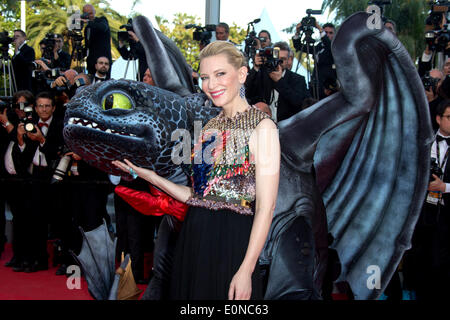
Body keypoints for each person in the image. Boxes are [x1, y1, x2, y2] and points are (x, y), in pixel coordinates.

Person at [113, 41, 280, 300]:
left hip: (233, 240)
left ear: (243, 74)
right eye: (204, 77)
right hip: (194, 234)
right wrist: (150, 176)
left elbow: (265, 208)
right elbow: (197, 195)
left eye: (220, 74)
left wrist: (246, 268)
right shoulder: (209, 127)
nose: (211, 84)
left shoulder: (263, 127)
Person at [10, 92, 64, 272]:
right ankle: (31, 258)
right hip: (33, 180)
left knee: (49, 221)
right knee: (32, 221)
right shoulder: (29, 125)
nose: (43, 109)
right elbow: (22, 160)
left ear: (53, 108)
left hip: (53, 181)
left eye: (47, 106)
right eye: (40, 106)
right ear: (35, 107)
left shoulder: (59, 126)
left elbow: (57, 153)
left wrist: (41, 139)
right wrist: (20, 139)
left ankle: (47, 260)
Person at [402, 99, 450, 300]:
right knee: (422, 271)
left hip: (448, 221)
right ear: (438, 119)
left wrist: (445, 187)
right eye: (449, 117)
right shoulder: (424, 144)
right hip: (423, 219)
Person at [245, 41, 309, 122]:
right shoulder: (261, 75)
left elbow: (299, 103)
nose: (279, 62)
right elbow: (246, 92)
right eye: (276, 58)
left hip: (287, 127)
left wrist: (279, 81)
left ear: (288, 60)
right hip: (262, 125)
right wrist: (255, 68)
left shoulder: (298, 79)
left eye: (282, 59)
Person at [292, 22, 336, 100]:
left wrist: (319, 28)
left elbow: (328, 45)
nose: (328, 35)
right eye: (326, 32)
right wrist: (298, 32)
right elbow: (299, 46)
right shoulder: (318, 47)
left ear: (334, 35)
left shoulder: (336, 47)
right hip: (315, 86)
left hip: (328, 89)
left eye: (330, 33)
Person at [82, 4, 112, 76]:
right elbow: (87, 46)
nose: (89, 16)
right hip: (91, 63)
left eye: (91, 13)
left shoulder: (102, 20)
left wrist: (89, 22)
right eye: (87, 14)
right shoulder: (87, 28)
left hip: (103, 62)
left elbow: (103, 28)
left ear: (95, 12)